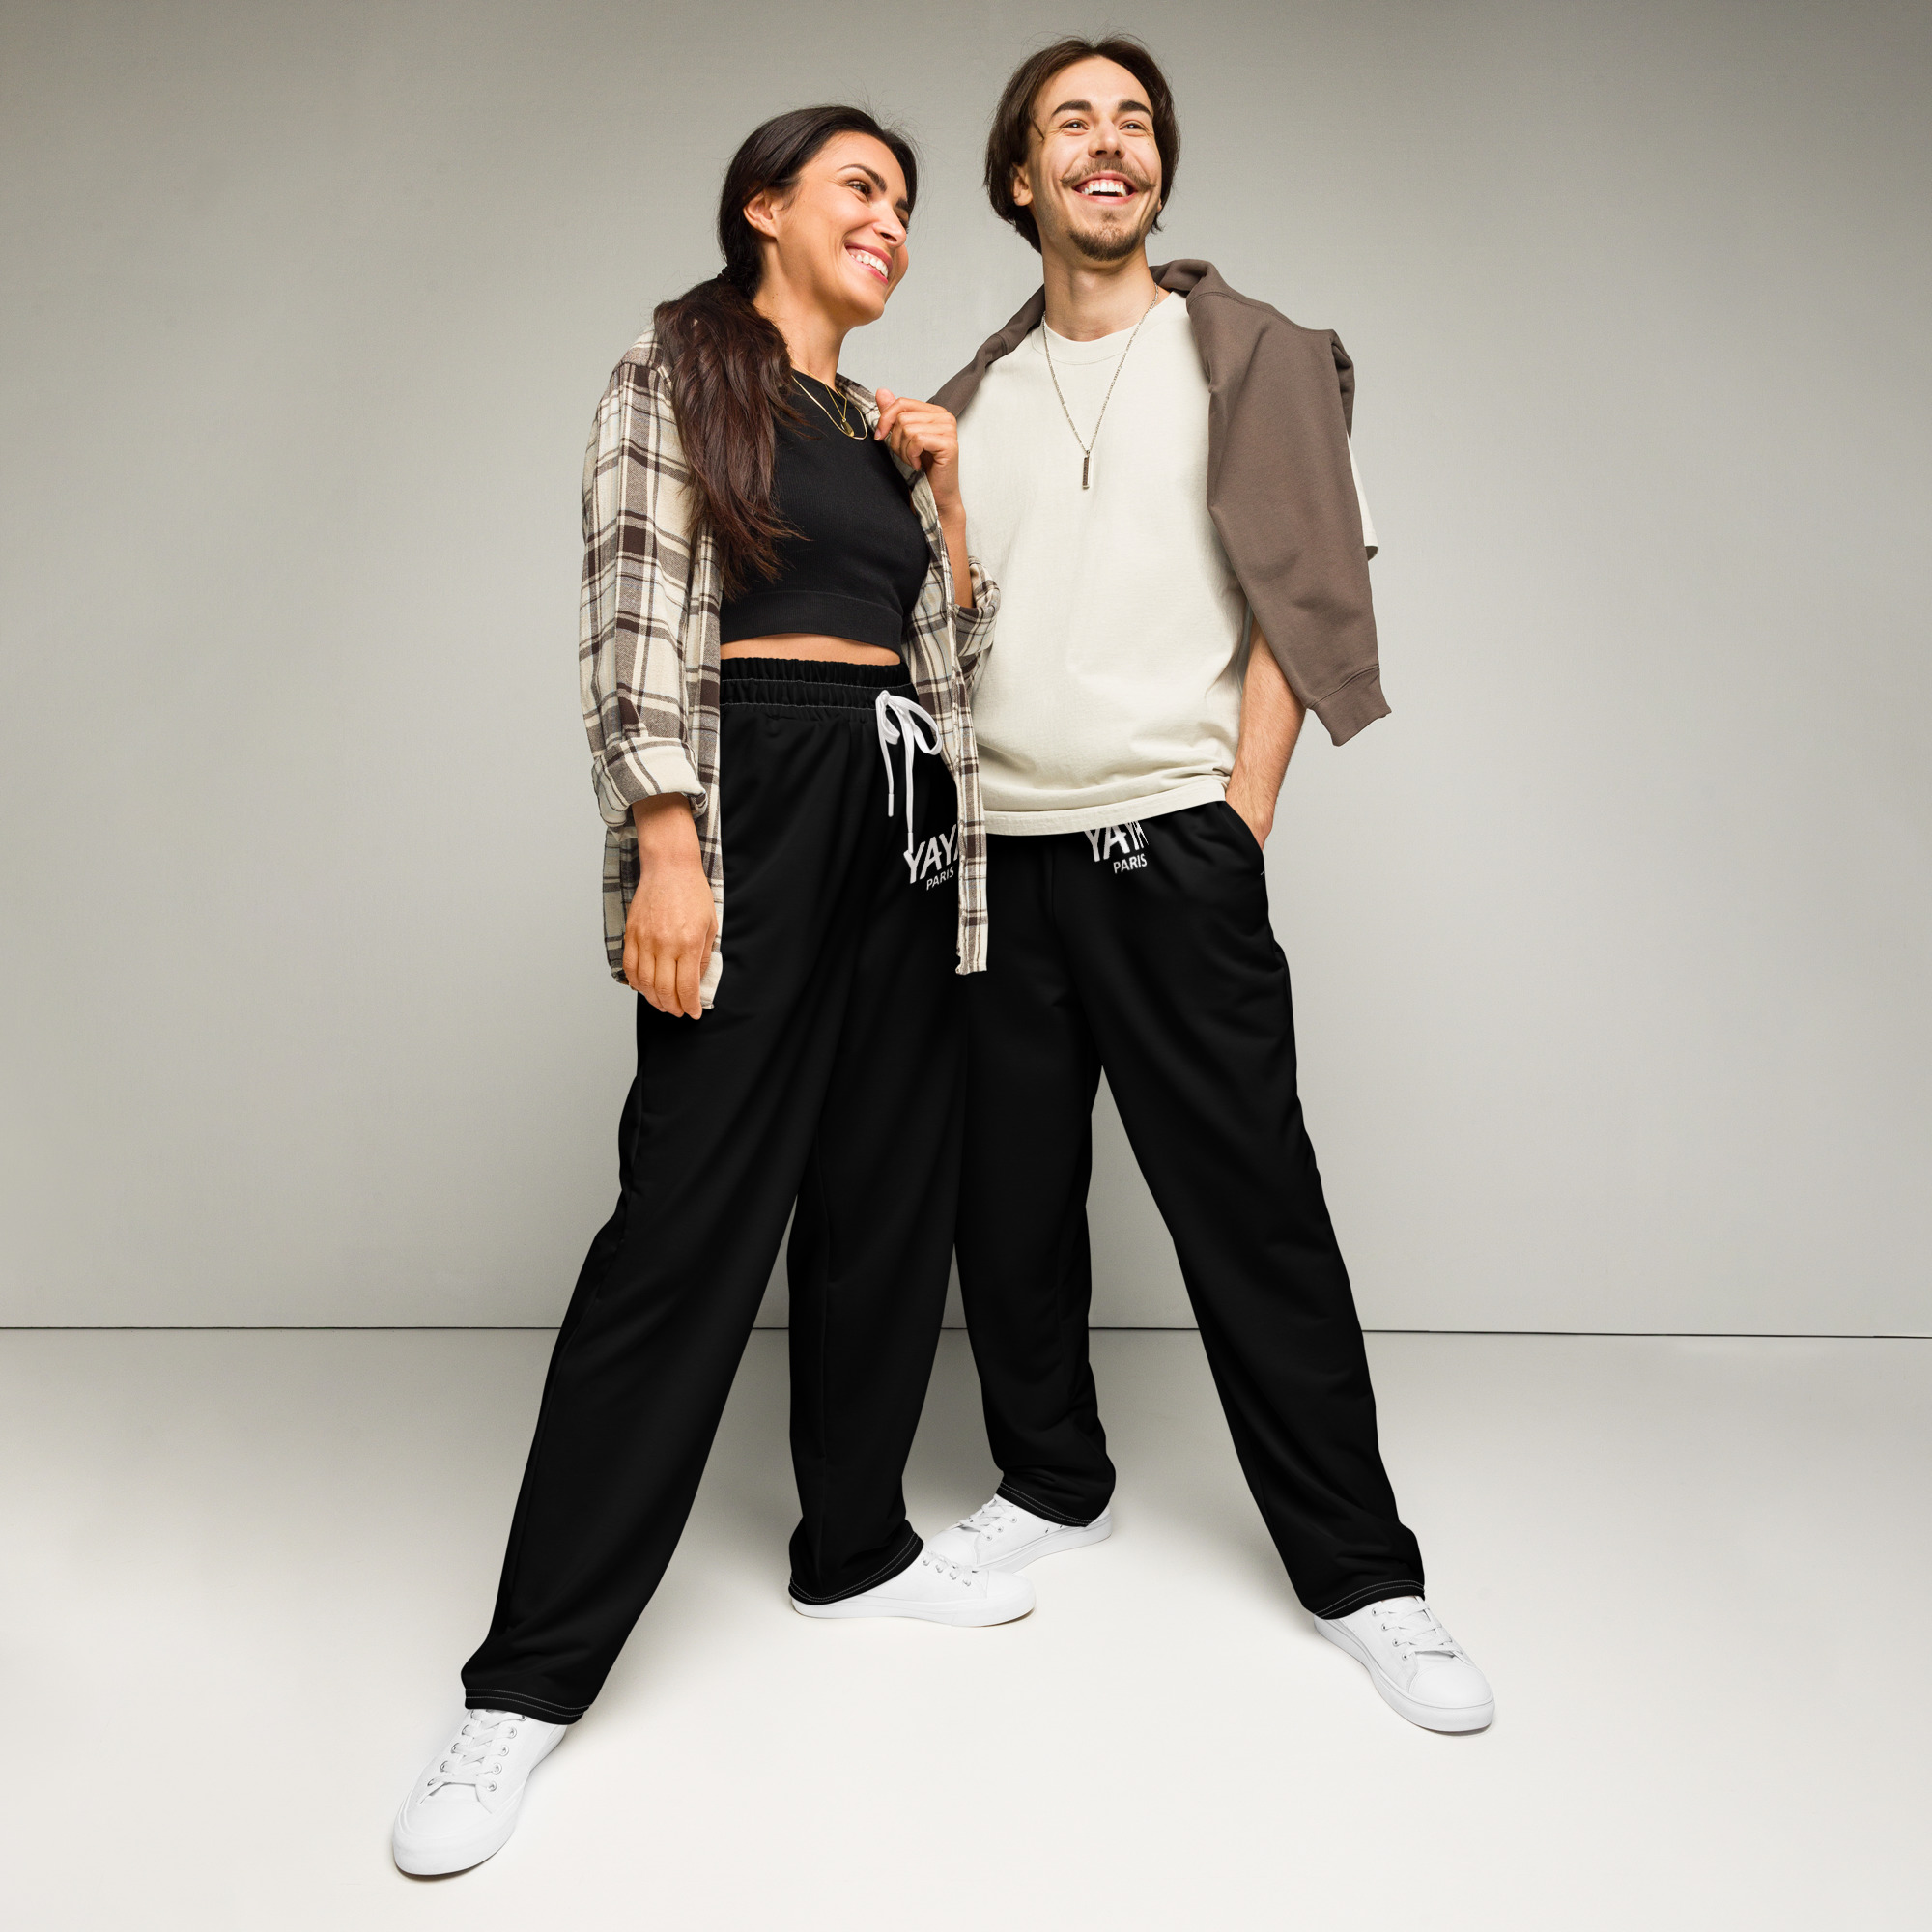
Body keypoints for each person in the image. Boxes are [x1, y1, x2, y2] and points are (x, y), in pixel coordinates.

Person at [393, 104, 1014, 1878]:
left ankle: (855, 1550)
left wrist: (949, 495)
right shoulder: (675, 375)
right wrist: (668, 840)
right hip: (757, 784)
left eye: (905, 203)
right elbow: (630, 611)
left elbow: (956, 665)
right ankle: (525, 1682)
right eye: (860, 189)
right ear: (764, 208)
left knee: (886, 1198)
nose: (892, 222)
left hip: (903, 806)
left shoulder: (879, 433)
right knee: (686, 1219)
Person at [924, 38, 1495, 1734]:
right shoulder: (970, 402)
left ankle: (1365, 1577)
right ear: (1020, 177)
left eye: (1135, 123)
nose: (1109, 146)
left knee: (1252, 1209)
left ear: (1157, 168)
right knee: (1007, 1207)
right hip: (995, 864)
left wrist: (1239, 816)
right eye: (1071, 124)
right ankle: (1051, 1480)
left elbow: (1298, 595)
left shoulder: (1251, 358)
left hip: (1169, 846)